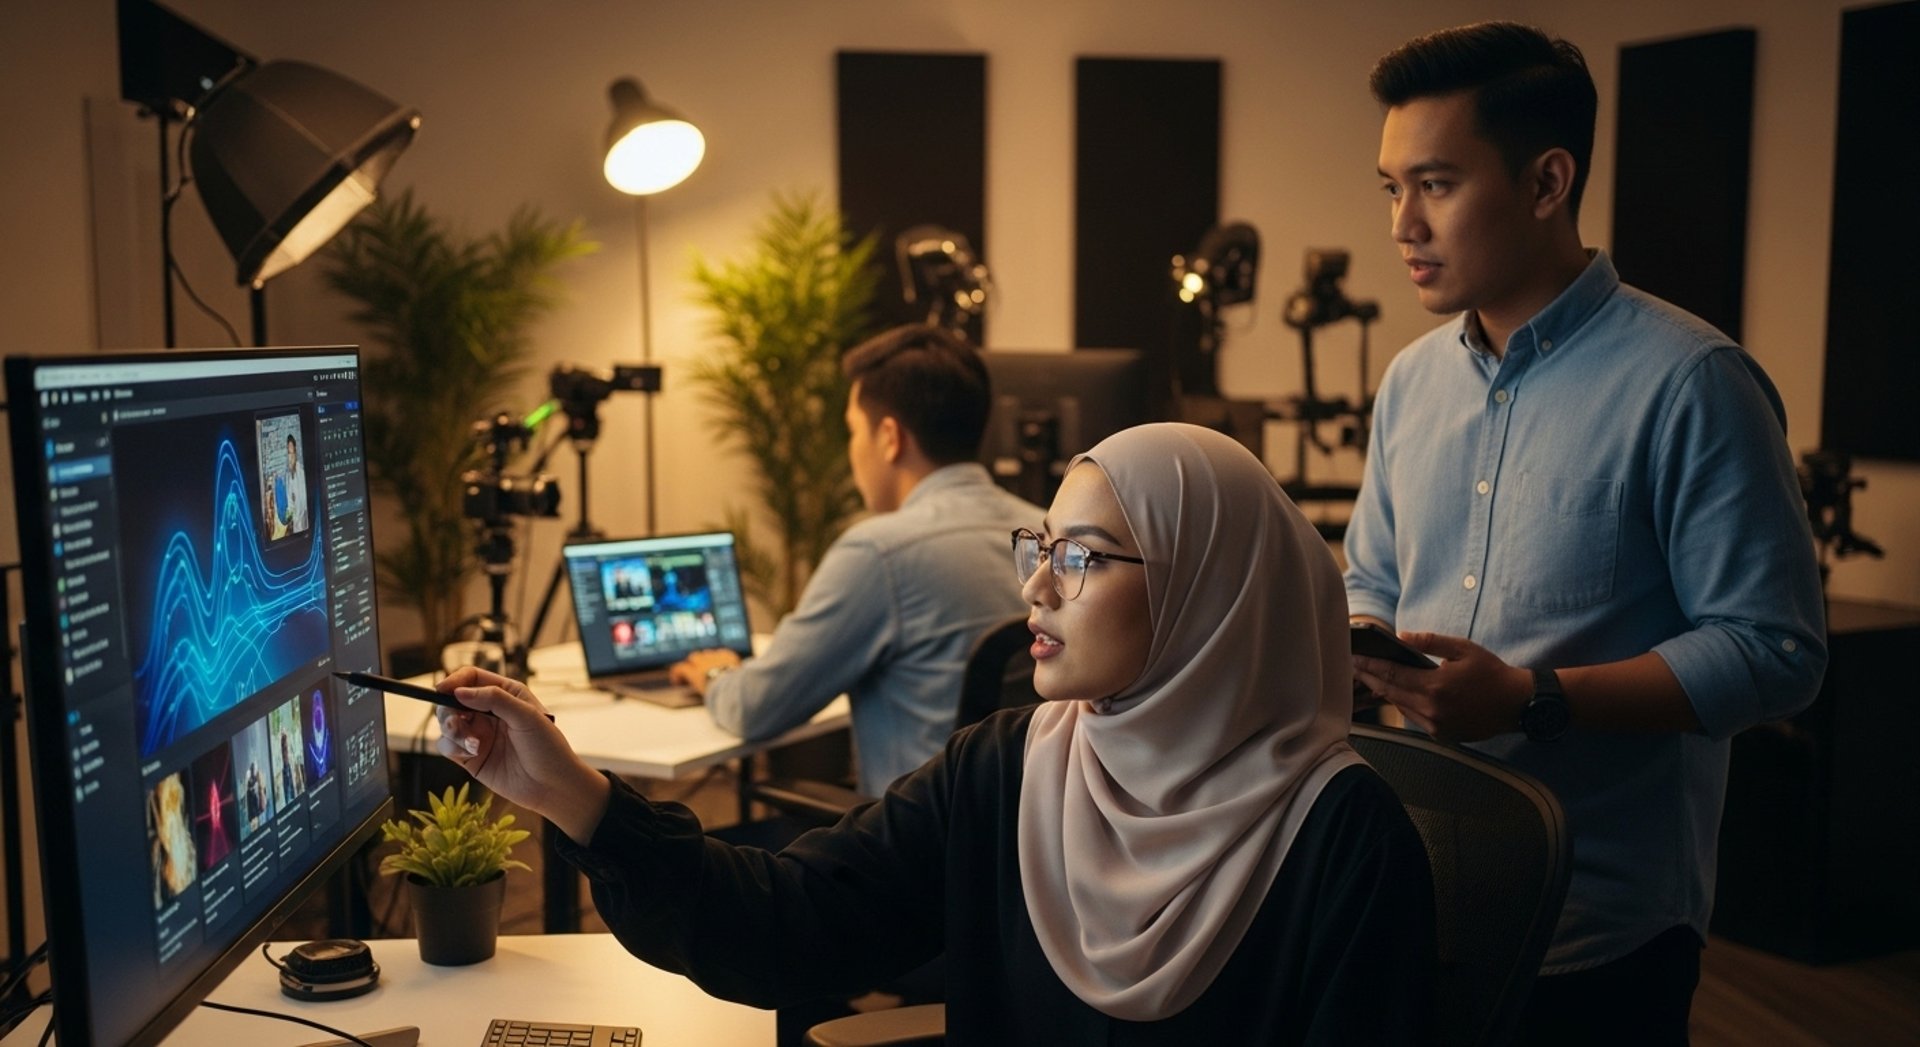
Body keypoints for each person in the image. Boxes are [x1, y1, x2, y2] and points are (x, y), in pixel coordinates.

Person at [434, 423, 1435, 1043]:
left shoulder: (1345, 839)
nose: (1036, 585)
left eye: (1080, 557)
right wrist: (574, 794)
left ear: (1209, 593)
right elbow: (796, 926)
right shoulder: (1008, 769)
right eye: (1038, 547)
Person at [1347, 22, 1827, 1045]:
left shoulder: (1694, 384)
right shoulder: (1408, 382)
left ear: (1546, 181)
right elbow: (1372, 575)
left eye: (1434, 184)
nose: (1403, 224)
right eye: (1392, 187)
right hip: (1413, 882)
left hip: (1600, 931)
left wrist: (1531, 698)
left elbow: (1775, 654)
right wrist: (1361, 642)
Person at [668, 325, 1042, 799]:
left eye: (852, 432)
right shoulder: (1050, 532)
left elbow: (756, 708)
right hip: (1030, 846)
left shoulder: (881, 553)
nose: (852, 452)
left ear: (889, 438)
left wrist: (716, 674)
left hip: (908, 855)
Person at [281, 433, 309, 534]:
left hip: (301, 506)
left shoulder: (299, 468)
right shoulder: (288, 469)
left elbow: (301, 488)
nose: (290, 447)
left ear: (294, 447)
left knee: (302, 526)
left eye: (291, 445)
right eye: (288, 446)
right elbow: (289, 487)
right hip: (293, 505)